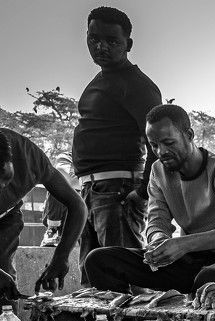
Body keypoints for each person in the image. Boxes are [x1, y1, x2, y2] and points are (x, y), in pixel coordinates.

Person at [84, 104, 215, 295]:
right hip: (190, 261)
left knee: (208, 282)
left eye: (169, 143)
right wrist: (159, 243)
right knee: (99, 260)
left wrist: (183, 244)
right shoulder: (157, 172)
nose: (161, 152)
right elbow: (156, 222)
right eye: (154, 146)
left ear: (189, 135)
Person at [74, 6, 162, 283]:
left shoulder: (136, 84)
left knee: (126, 279)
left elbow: (158, 145)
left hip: (118, 191)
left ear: (128, 44)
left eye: (112, 41)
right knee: (93, 280)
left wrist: (143, 192)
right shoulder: (101, 79)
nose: (101, 47)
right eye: (94, 39)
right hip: (91, 190)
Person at [0, 129, 87, 299]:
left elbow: (77, 206)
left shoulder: (29, 156)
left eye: (6, 181)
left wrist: (61, 257)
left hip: (6, 218)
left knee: (4, 294)